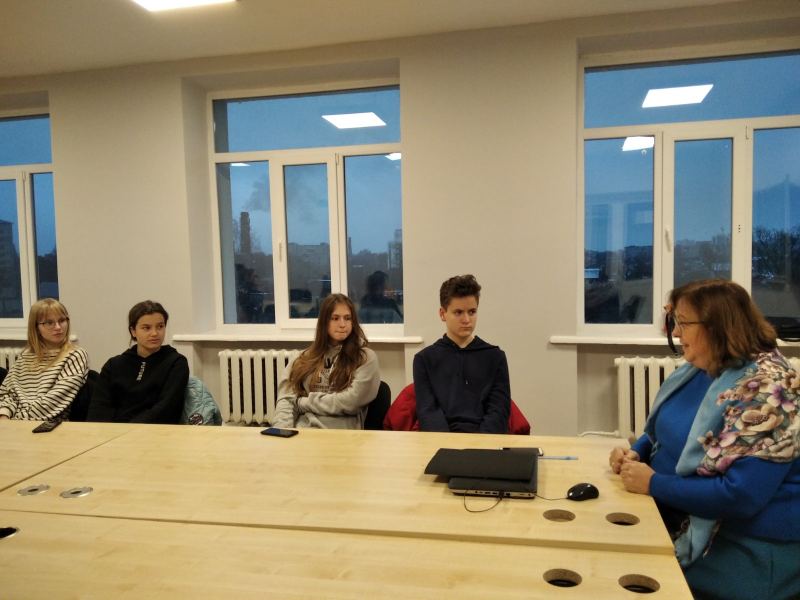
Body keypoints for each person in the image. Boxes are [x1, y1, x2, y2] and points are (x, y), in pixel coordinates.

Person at [609, 279, 800, 600]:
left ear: (717, 327)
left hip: (744, 547)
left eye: (683, 323)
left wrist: (652, 483)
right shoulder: (703, 368)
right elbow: (659, 433)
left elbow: (741, 497)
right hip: (679, 513)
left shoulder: (771, 389)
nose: (676, 332)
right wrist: (637, 453)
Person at [413, 274, 510, 433]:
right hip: (441, 441)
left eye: (472, 312)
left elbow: (499, 411)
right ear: (442, 314)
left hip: (485, 441)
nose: (466, 320)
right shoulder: (424, 359)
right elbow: (428, 412)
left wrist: (480, 443)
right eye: (458, 312)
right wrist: (448, 443)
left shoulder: (495, 357)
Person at [273, 293, 379, 429]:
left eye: (347, 318)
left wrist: (302, 403)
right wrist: (283, 432)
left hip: (341, 435)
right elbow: (286, 400)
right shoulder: (302, 358)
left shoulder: (365, 358)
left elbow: (350, 402)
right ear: (324, 322)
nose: (342, 324)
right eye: (335, 318)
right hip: (304, 432)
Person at [88, 300, 189, 424]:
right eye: (146, 328)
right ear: (133, 331)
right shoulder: (113, 365)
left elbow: (166, 408)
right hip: (113, 431)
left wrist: (130, 429)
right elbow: (99, 408)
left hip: (155, 430)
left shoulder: (176, 363)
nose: (154, 333)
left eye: (160, 326)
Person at [0, 298, 88, 421]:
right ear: (36, 327)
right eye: (49, 322)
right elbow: (8, 392)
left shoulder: (75, 355)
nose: (58, 327)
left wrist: (16, 421)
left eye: (62, 320)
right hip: (14, 423)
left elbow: (54, 401)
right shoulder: (25, 356)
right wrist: (4, 415)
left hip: (48, 424)